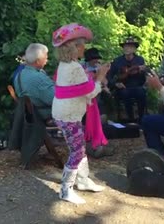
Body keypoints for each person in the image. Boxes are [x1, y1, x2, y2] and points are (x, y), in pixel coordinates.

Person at [52, 23, 110, 204]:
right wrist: (100, 76)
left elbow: (79, 87)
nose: (85, 47)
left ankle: (83, 181)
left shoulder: (66, 64)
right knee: (77, 151)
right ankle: (65, 190)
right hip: (68, 116)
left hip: (65, 113)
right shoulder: (75, 67)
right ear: (74, 47)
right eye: (82, 44)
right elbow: (90, 92)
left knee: (79, 147)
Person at [82, 48, 113, 158]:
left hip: (96, 93)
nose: (95, 61)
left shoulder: (98, 67)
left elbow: (105, 82)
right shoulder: (82, 67)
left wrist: (101, 76)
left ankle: (99, 138)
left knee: (106, 96)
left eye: (96, 59)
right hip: (86, 95)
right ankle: (95, 143)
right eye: (93, 59)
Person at [107, 37, 147, 122]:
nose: (127, 48)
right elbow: (109, 76)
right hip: (123, 87)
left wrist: (142, 71)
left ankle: (141, 119)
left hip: (137, 86)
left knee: (141, 92)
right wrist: (115, 84)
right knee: (125, 93)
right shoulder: (117, 61)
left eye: (130, 46)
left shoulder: (139, 60)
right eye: (125, 46)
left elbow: (143, 78)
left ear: (134, 49)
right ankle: (130, 119)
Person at [13, 43, 54, 119]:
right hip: (44, 118)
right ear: (38, 61)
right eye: (45, 58)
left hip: (27, 117)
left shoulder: (19, 75)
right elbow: (55, 99)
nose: (47, 61)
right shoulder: (39, 78)